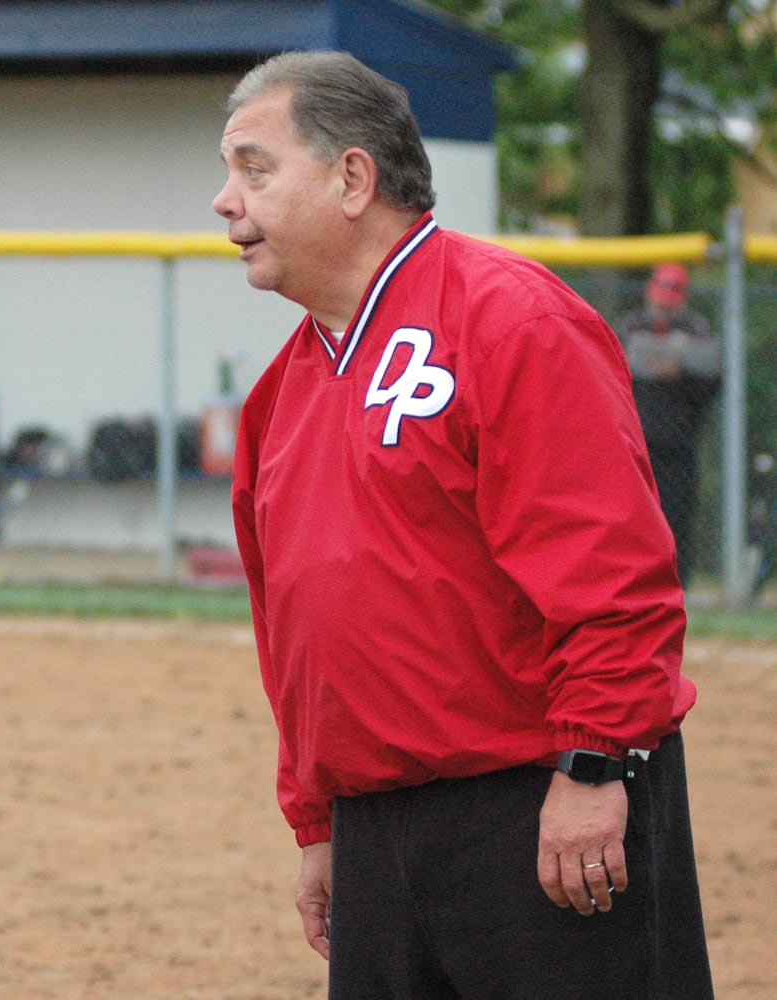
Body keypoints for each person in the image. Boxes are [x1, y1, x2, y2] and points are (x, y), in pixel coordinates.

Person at [214, 50, 713, 998]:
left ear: (352, 177)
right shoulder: (281, 390)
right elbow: (293, 635)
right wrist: (317, 822)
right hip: (375, 828)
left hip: (536, 807)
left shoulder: (509, 318)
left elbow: (613, 573)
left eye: (253, 167)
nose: (224, 201)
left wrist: (593, 765)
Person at [613, 262, 721, 583]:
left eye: (670, 302)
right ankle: (631, 586)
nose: (662, 308)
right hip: (634, 443)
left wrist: (680, 370)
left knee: (676, 519)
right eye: (659, 300)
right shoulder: (630, 328)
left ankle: (676, 588)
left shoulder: (697, 332)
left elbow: (712, 383)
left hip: (678, 444)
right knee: (631, 520)